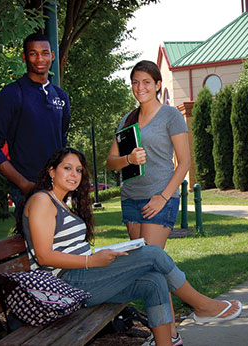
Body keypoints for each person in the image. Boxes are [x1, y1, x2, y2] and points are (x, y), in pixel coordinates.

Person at [17, 148, 242, 346]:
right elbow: (45, 257)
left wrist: (98, 258)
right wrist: (91, 261)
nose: (74, 175)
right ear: (51, 171)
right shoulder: (42, 201)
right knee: (153, 253)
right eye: (67, 168)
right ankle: (201, 305)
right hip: (66, 284)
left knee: (154, 282)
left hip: (85, 276)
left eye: (78, 170)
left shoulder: (62, 204)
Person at [106, 60, 190, 345]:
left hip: (160, 198)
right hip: (131, 200)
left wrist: (163, 196)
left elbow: (185, 162)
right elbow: (111, 161)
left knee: (153, 265)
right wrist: (128, 159)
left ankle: (168, 336)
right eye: (135, 82)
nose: (139, 87)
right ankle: (170, 334)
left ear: (157, 85)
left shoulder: (170, 116)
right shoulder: (127, 119)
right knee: (148, 270)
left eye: (145, 82)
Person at [0, 33, 70, 205]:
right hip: (26, 190)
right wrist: (23, 184)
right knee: (33, 233)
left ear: (52, 56)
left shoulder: (61, 97)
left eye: (45, 53)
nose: (40, 59)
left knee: (58, 233)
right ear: (24, 57)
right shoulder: (11, 94)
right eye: (33, 53)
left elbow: (62, 142)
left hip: (57, 189)